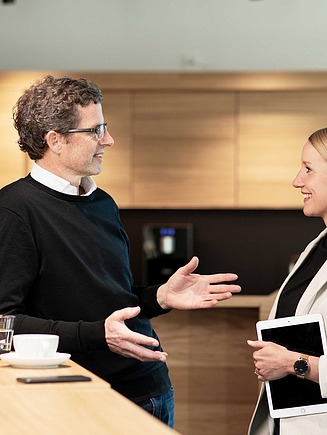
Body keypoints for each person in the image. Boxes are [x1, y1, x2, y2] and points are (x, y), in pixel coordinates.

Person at [0, 75, 241, 428]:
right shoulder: (14, 210)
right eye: (95, 130)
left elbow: (112, 299)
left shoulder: (102, 202)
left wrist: (159, 297)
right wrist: (100, 334)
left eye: (105, 127)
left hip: (153, 388)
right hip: (86, 396)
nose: (108, 140)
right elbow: (5, 324)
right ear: (56, 140)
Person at [247, 127, 327, 435]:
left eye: (308, 169)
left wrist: (294, 363)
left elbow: (295, 360)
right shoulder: (316, 248)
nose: (297, 181)